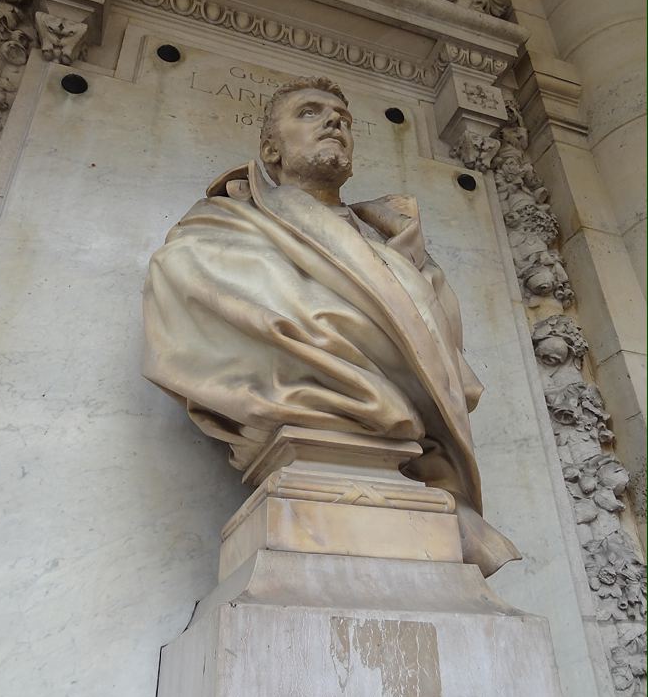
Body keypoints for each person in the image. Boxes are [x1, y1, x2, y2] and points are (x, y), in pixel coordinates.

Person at [143, 77, 520, 576]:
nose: (334, 123)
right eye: (310, 112)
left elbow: (441, 351)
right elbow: (189, 278)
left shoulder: (401, 254)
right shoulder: (212, 238)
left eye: (343, 118)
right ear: (270, 149)